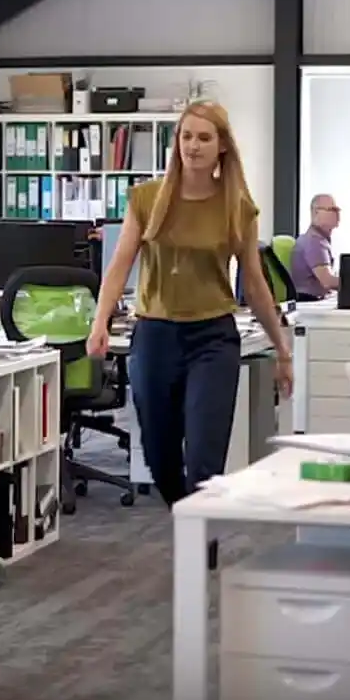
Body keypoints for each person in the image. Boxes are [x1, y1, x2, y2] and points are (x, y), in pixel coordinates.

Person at [87, 101, 294, 507]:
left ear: (222, 146)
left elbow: (255, 284)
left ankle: (201, 535)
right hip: (155, 336)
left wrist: (282, 350)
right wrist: (100, 323)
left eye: (203, 137)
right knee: (160, 459)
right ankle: (190, 521)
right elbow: (119, 266)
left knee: (203, 462)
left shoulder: (237, 207)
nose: (193, 146)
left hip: (212, 339)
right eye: (186, 136)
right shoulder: (147, 198)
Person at [290, 194, 341, 301]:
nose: (337, 213)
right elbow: (328, 281)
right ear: (316, 212)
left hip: (317, 300)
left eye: (337, 210)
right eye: (332, 209)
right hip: (309, 301)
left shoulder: (320, 240)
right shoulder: (313, 241)